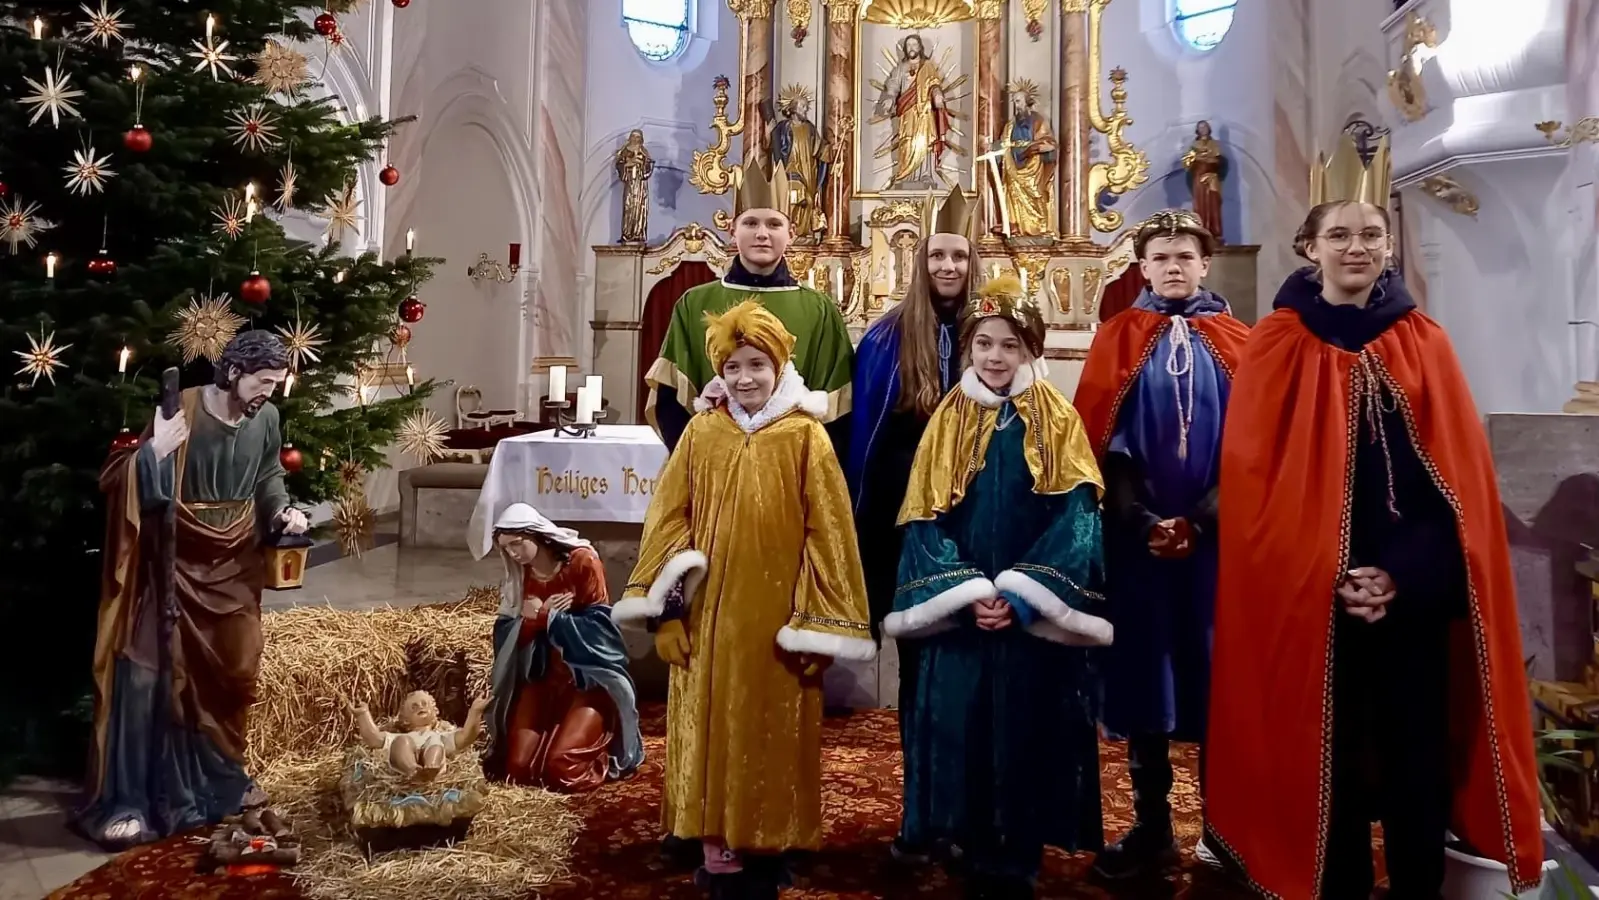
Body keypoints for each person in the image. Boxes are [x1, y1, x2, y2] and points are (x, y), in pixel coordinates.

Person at [1203, 197, 1544, 896]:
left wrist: (1395, 577)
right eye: (1338, 235)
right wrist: (1325, 574)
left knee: (1413, 763)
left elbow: (1454, 491)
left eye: (1370, 236)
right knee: (1329, 768)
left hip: (1407, 599)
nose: (1354, 248)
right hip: (1310, 605)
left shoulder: (1424, 342)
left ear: (1387, 247)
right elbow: (1254, 487)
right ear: (1309, 247)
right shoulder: (1274, 343)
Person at [615, 301, 874, 899]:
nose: (745, 378)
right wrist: (668, 609)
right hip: (707, 620)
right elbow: (669, 519)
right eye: (733, 367)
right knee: (708, 726)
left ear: (780, 366)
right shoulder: (703, 432)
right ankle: (716, 846)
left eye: (758, 364)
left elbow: (828, 532)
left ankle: (772, 842)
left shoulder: (806, 436)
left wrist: (822, 626)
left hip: (777, 620)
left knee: (772, 729)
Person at [884, 274, 1111, 900]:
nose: (995, 356)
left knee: (1026, 727)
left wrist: (1017, 595)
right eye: (984, 343)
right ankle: (967, 840)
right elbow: (922, 518)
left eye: (1009, 345)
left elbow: (1079, 517)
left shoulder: (1056, 420)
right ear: (968, 349)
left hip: (1028, 618)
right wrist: (965, 592)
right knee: (964, 726)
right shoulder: (946, 420)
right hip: (964, 617)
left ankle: (1020, 853)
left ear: (1029, 350)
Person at [78, 331, 308, 849]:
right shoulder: (179, 407)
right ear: (232, 373)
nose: (269, 391)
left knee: (236, 670)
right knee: (144, 682)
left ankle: (218, 782)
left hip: (235, 566)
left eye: (276, 382)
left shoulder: (265, 419)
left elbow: (268, 475)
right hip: (171, 568)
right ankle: (131, 799)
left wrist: (282, 511)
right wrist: (153, 453)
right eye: (263, 381)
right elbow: (125, 478)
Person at [1072, 210, 1248, 880]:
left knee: (1216, 679)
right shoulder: (1118, 336)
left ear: (1205, 264)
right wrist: (1142, 520)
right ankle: (1151, 828)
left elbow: (1253, 447)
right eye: (1160, 257)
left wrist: (1201, 521)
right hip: (1137, 543)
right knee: (1146, 673)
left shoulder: (1240, 341)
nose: (1173, 267)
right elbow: (1103, 441)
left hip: (1217, 544)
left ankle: (1225, 829)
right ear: (1140, 267)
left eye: (1184, 256)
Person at [845, 186, 971, 864]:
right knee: (920, 678)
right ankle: (923, 814)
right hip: (908, 533)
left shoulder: (994, 332)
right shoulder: (888, 337)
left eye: (958, 255)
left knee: (972, 679)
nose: (947, 266)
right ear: (919, 262)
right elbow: (867, 444)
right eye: (937, 255)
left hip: (979, 531)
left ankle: (969, 814)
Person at [642, 161, 853, 454]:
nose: (762, 233)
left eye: (774, 224)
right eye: (751, 223)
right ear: (732, 230)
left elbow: (838, 408)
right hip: (713, 458)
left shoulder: (819, 309)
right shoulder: (694, 304)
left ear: (791, 234)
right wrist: (693, 460)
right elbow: (671, 399)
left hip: (793, 462)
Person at [484, 503, 643, 792]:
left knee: (563, 768)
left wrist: (548, 617)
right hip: (543, 679)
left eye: (517, 544)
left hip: (586, 680)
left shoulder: (582, 562)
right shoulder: (521, 576)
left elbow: (602, 631)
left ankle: (604, 743)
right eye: (506, 548)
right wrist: (533, 622)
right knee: (516, 768)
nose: (513, 554)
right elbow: (506, 635)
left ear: (538, 535)